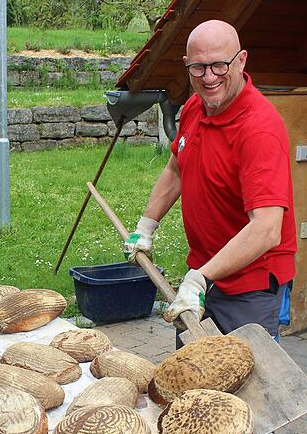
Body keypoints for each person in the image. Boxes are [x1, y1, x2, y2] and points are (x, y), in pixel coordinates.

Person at [123, 20, 297, 348]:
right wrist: (146, 226)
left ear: (241, 60)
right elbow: (176, 169)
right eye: (198, 67)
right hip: (203, 276)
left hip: (249, 289)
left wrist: (200, 278)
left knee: (242, 388)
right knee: (191, 379)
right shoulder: (196, 106)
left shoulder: (260, 130)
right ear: (187, 65)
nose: (209, 77)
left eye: (219, 65)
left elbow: (267, 229)